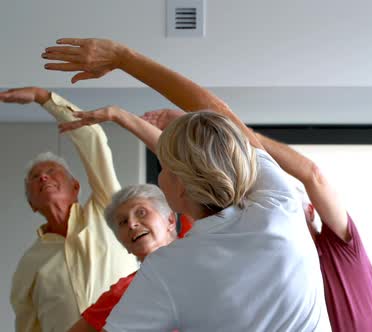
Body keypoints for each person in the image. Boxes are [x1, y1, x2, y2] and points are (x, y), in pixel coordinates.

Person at [45, 38, 330, 331]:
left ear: (178, 195)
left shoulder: (168, 270)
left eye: (164, 166)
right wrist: (124, 58)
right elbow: (220, 115)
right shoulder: (278, 206)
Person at [142, 107, 372, 331]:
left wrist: (251, 140)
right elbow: (191, 180)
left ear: (308, 212)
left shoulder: (341, 247)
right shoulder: (262, 254)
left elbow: (314, 175)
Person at [0, 87, 138, 332]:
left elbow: (93, 140)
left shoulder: (109, 212)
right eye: (34, 177)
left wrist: (43, 97)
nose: (43, 177)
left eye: (52, 171)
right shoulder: (29, 265)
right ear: (31, 203)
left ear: (75, 187)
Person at [68, 184, 192, 332]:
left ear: (170, 220)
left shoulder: (200, 246)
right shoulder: (122, 292)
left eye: (141, 212)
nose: (132, 224)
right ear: (123, 244)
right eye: (123, 222)